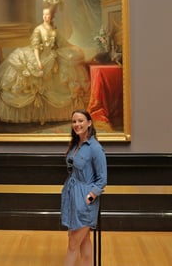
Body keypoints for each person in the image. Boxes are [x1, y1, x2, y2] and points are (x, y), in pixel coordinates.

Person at [0, 0, 90, 125]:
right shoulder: (38, 30)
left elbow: (62, 44)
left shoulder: (55, 31)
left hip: (53, 56)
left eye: (49, 16)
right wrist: (38, 61)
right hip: (38, 55)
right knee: (28, 72)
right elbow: (36, 47)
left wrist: (72, 50)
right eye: (44, 16)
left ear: (52, 17)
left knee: (66, 67)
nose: (46, 18)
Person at [61, 109, 107, 266]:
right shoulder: (75, 144)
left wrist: (89, 198)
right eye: (74, 121)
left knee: (73, 242)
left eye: (80, 121)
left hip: (84, 199)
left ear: (89, 123)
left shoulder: (95, 148)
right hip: (72, 197)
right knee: (84, 240)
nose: (77, 124)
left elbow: (102, 179)